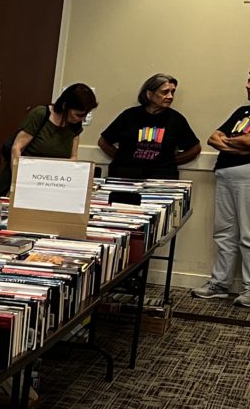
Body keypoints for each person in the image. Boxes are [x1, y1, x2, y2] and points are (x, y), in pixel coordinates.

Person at [194, 71, 250, 305]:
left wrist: (231, 142)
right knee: (224, 232)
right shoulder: (241, 112)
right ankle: (219, 283)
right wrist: (236, 145)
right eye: (247, 79)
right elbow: (213, 138)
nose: (247, 85)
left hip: (246, 177)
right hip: (225, 174)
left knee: (248, 234)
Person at [0, 82, 98, 197]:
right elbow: (17, 148)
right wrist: (18, 181)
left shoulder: (74, 125)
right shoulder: (41, 114)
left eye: (85, 115)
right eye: (78, 115)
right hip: (26, 182)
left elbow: (72, 157)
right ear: (64, 106)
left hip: (51, 187)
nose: (82, 119)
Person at [98, 74, 201, 180]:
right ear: (149, 94)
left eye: (173, 92)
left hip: (161, 177)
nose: (170, 96)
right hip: (125, 175)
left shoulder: (176, 119)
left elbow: (194, 148)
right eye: (165, 92)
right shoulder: (129, 115)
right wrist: (124, 158)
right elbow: (103, 142)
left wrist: (167, 162)